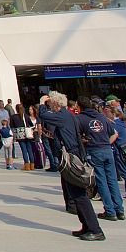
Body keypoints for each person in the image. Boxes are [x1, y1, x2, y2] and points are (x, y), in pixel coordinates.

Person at [40, 91, 104, 241]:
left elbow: (43, 115)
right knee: (75, 194)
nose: (49, 106)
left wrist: (42, 103)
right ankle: (86, 226)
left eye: (50, 104)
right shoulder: (68, 115)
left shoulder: (62, 115)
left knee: (79, 195)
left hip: (71, 156)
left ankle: (95, 229)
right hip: (73, 154)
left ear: (55, 104)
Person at [77, 96, 124, 222]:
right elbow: (113, 133)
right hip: (107, 149)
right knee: (112, 180)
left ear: (79, 106)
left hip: (94, 150)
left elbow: (77, 136)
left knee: (101, 181)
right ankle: (119, 209)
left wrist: (85, 141)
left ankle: (110, 211)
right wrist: (106, 143)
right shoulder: (102, 117)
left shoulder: (80, 118)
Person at [103, 105, 126, 200]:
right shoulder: (121, 122)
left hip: (120, 150)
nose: (106, 114)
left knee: (125, 171)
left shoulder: (114, 125)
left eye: (107, 112)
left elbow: (114, 135)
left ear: (113, 114)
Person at [10, 104, 36, 170]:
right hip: (27, 134)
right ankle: (32, 165)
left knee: (24, 150)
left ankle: (26, 165)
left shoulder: (13, 117)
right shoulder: (26, 116)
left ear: (16, 109)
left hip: (20, 135)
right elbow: (31, 125)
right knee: (29, 149)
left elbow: (12, 127)